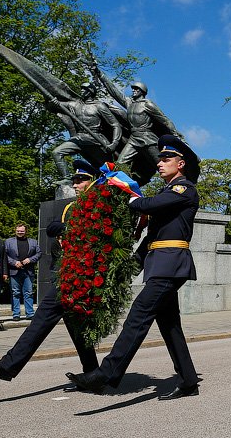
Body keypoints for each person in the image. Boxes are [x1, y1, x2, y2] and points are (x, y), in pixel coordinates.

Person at [67, 135, 202, 399]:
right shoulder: (166, 192)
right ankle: (188, 380)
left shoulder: (185, 189)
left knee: (139, 315)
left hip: (171, 265)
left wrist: (128, 194)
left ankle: (107, 373)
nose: (160, 163)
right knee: (170, 326)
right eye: (160, 159)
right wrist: (133, 265)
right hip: (160, 264)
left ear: (181, 163)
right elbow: (152, 237)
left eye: (166, 159)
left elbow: (147, 204)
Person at [0, 160, 102, 384]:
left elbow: (94, 236)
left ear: (92, 181)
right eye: (75, 180)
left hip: (78, 275)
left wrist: (70, 231)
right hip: (69, 271)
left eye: (81, 180)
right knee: (75, 323)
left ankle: (8, 364)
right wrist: (65, 230)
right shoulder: (73, 207)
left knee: (40, 320)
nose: (76, 183)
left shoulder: (97, 204)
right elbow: (56, 230)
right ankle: (93, 374)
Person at [90, 66, 183, 185]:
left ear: (141, 91)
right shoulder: (129, 103)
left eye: (135, 89)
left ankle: (174, 186)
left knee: (161, 165)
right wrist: (100, 75)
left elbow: (164, 120)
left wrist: (175, 134)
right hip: (134, 139)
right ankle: (117, 190)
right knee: (120, 164)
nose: (133, 91)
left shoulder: (147, 104)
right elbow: (114, 92)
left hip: (148, 139)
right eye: (133, 89)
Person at [46, 81, 123, 182]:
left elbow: (115, 125)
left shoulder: (99, 106)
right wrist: (54, 103)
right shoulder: (74, 105)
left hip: (95, 140)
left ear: (90, 91)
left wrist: (114, 143)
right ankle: (66, 179)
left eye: (84, 89)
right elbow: (56, 105)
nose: (81, 91)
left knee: (108, 168)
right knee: (56, 152)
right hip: (79, 138)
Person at [5, 223, 42, 320]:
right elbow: (4, 256)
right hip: (14, 270)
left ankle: (30, 313)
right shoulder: (8, 242)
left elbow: (39, 254)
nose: (20, 232)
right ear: (15, 230)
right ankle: (16, 314)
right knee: (15, 293)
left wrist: (30, 259)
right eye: (18, 231)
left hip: (28, 271)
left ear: (26, 231)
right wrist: (14, 262)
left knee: (28, 293)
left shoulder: (33, 242)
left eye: (22, 231)